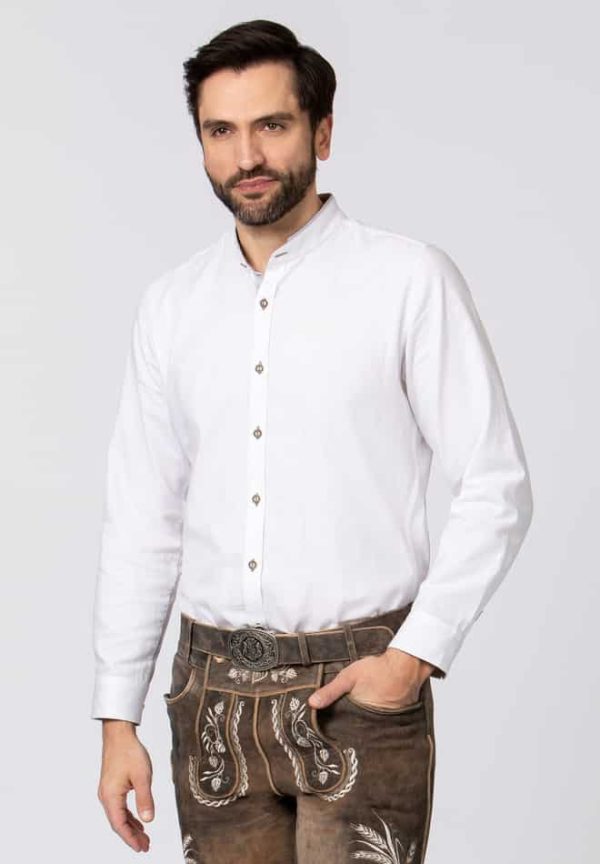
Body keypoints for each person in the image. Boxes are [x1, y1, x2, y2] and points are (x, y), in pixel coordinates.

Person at [92, 18, 534, 864]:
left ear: (322, 133)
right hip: (210, 694)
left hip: (359, 690)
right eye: (221, 131)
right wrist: (118, 718)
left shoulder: (407, 281)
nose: (247, 155)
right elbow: (143, 517)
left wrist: (413, 656)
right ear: (200, 144)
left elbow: (496, 484)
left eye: (272, 125)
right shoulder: (171, 307)